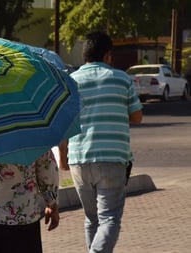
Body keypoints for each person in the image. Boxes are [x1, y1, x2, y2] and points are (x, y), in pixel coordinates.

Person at [61, 31, 143, 253]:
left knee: (91, 219)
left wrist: (63, 158)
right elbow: (137, 117)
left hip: (78, 158)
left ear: (85, 54)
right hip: (112, 158)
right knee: (109, 219)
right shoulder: (122, 79)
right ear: (108, 55)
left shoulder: (72, 82)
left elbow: (64, 123)